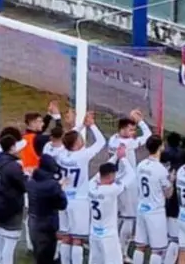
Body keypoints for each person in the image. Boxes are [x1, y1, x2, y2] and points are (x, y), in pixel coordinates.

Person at [58, 113, 107, 264]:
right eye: (80, 138)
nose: (82, 139)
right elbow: (101, 141)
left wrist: (80, 126)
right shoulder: (83, 155)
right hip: (79, 201)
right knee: (77, 239)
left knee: (65, 237)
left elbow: (68, 137)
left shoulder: (61, 154)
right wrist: (91, 124)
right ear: (76, 144)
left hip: (64, 198)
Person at [106, 112, 154, 248]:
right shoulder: (129, 143)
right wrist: (140, 121)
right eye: (130, 129)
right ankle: (122, 250)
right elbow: (148, 135)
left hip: (115, 181)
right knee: (129, 217)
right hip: (128, 183)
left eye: (134, 130)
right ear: (122, 129)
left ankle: (113, 244)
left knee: (118, 215)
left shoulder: (112, 139)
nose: (133, 133)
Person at [0, 131, 28, 264]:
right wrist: (27, 176)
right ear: (13, 147)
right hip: (11, 206)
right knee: (9, 244)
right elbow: (24, 186)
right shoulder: (12, 166)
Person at [131, 136, 172, 264]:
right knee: (157, 249)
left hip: (142, 208)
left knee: (140, 246)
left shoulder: (141, 165)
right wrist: (171, 181)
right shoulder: (161, 170)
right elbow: (168, 194)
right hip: (155, 212)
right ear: (160, 147)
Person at [87, 161, 132, 264]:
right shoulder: (112, 189)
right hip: (108, 236)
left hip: (94, 234)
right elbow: (131, 175)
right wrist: (123, 158)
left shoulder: (91, 186)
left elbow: (96, 176)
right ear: (111, 175)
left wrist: (115, 156)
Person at [28, 155, 68, 264]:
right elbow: (62, 204)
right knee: (47, 257)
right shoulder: (53, 185)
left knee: (39, 256)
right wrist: (61, 190)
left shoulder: (31, 182)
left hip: (33, 222)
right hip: (47, 225)